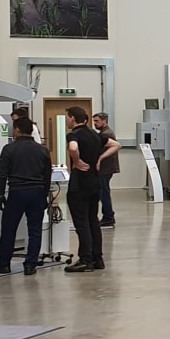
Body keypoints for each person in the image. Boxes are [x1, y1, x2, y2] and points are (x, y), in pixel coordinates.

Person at [0, 118, 51, 276]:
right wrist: (44, 195)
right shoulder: (43, 150)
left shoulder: (9, 149)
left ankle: (3, 264)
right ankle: (30, 265)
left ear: (18, 130)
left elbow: (2, 174)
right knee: (35, 230)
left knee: (9, 229)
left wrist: (1, 194)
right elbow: (47, 175)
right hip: (37, 192)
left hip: (17, 193)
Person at [64, 107, 120, 273]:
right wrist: (100, 158)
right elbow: (116, 145)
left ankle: (85, 259)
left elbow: (73, 148)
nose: (67, 121)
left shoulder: (73, 135)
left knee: (81, 223)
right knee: (93, 221)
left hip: (79, 184)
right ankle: (97, 258)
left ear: (73, 118)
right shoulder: (96, 135)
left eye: (67, 118)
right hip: (94, 183)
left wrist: (77, 161)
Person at [92, 112, 120, 227]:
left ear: (104, 121)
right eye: (94, 121)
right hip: (105, 167)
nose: (95, 123)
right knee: (103, 192)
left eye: (97, 121)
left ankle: (108, 216)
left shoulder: (106, 134)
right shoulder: (104, 133)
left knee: (104, 193)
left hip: (105, 168)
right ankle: (108, 215)